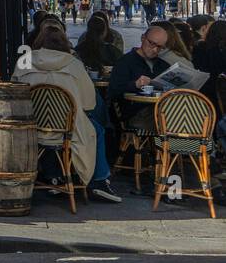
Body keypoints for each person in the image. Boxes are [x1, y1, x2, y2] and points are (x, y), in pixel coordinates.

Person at [11, 21, 122, 203]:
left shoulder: (24, 62)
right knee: (97, 129)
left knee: (55, 130)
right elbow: (89, 104)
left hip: (33, 126)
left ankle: (54, 175)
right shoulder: (74, 65)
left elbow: (14, 92)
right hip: (68, 129)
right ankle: (99, 180)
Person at [108, 26, 172, 128]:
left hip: (159, 109)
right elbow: (114, 90)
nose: (155, 50)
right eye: (152, 43)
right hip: (135, 113)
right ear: (143, 38)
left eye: (160, 47)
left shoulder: (163, 65)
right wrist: (135, 84)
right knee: (170, 119)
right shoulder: (125, 62)